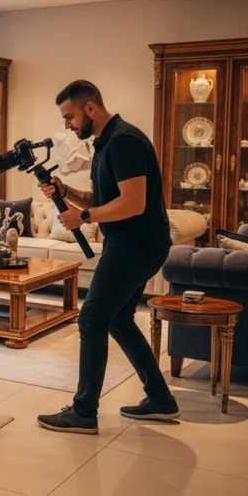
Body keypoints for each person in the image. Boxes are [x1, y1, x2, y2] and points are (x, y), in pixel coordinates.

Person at [36, 80, 180, 435]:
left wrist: (82, 218)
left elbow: (134, 203)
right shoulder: (105, 143)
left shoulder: (124, 141)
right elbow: (103, 199)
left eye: (69, 116)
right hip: (136, 243)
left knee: (92, 319)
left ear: (89, 108)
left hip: (135, 244)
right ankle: (160, 399)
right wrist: (67, 192)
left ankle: (84, 412)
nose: (68, 124)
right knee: (117, 320)